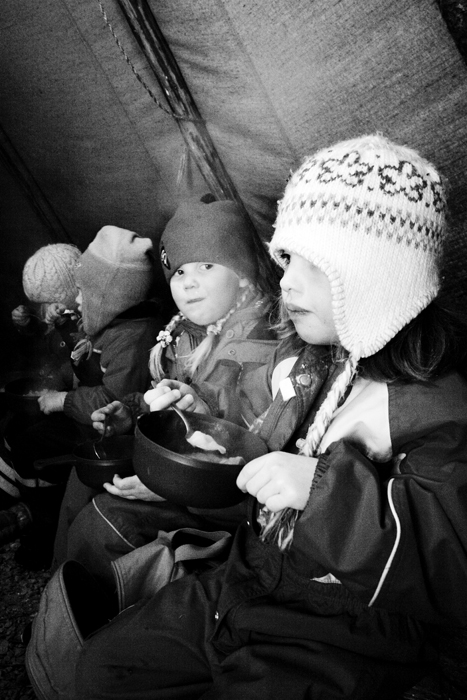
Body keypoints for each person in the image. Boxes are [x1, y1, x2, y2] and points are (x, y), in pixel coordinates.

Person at [73, 134, 467, 700]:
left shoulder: (435, 403)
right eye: (287, 259)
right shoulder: (313, 365)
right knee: (102, 670)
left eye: (315, 265)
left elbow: (451, 563)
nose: (286, 280)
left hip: (344, 625)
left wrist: (323, 490)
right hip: (251, 573)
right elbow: (261, 464)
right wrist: (206, 436)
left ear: (380, 274)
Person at [56, 196, 279, 586]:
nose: (188, 281)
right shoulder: (182, 336)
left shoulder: (267, 353)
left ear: (243, 273)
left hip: (225, 510)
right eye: (178, 271)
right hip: (184, 477)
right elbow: (170, 402)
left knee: (105, 521)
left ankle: (86, 607)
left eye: (206, 266)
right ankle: (60, 598)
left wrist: (166, 488)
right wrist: (131, 412)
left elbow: (255, 471)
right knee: (85, 476)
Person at [2, 226, 163, 569]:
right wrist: (59, 379)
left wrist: (63, 400)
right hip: (84, 415)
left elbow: (115, 402)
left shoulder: (132, 337)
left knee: (30, 443)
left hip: (101, 433)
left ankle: (40, 528)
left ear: (107, 297)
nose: (76, 301)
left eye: (82, 292)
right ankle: (26, 505)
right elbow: (75, 362)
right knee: (17, 428)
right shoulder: (107, 323)